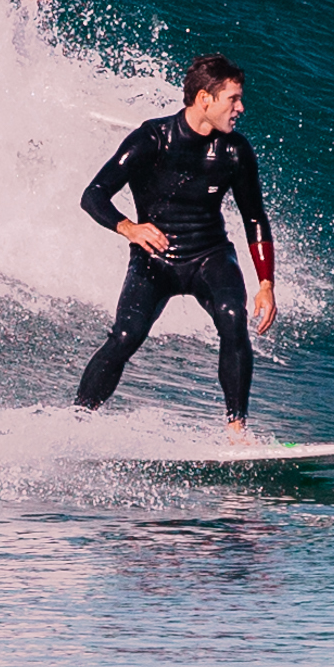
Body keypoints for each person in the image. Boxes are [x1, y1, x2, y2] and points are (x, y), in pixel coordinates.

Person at [73, 54, 276, 434]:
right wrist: (128, 228)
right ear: (204, 99)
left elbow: (254, 219)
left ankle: (236, 431)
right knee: (124, 336)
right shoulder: (153, 139)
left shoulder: (235, 151)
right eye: (233, 99)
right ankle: (78, 420)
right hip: (156, 259)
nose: (241, 108)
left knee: (234, 320)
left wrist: (266, 283)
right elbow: (94, 194)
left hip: (210, 255)